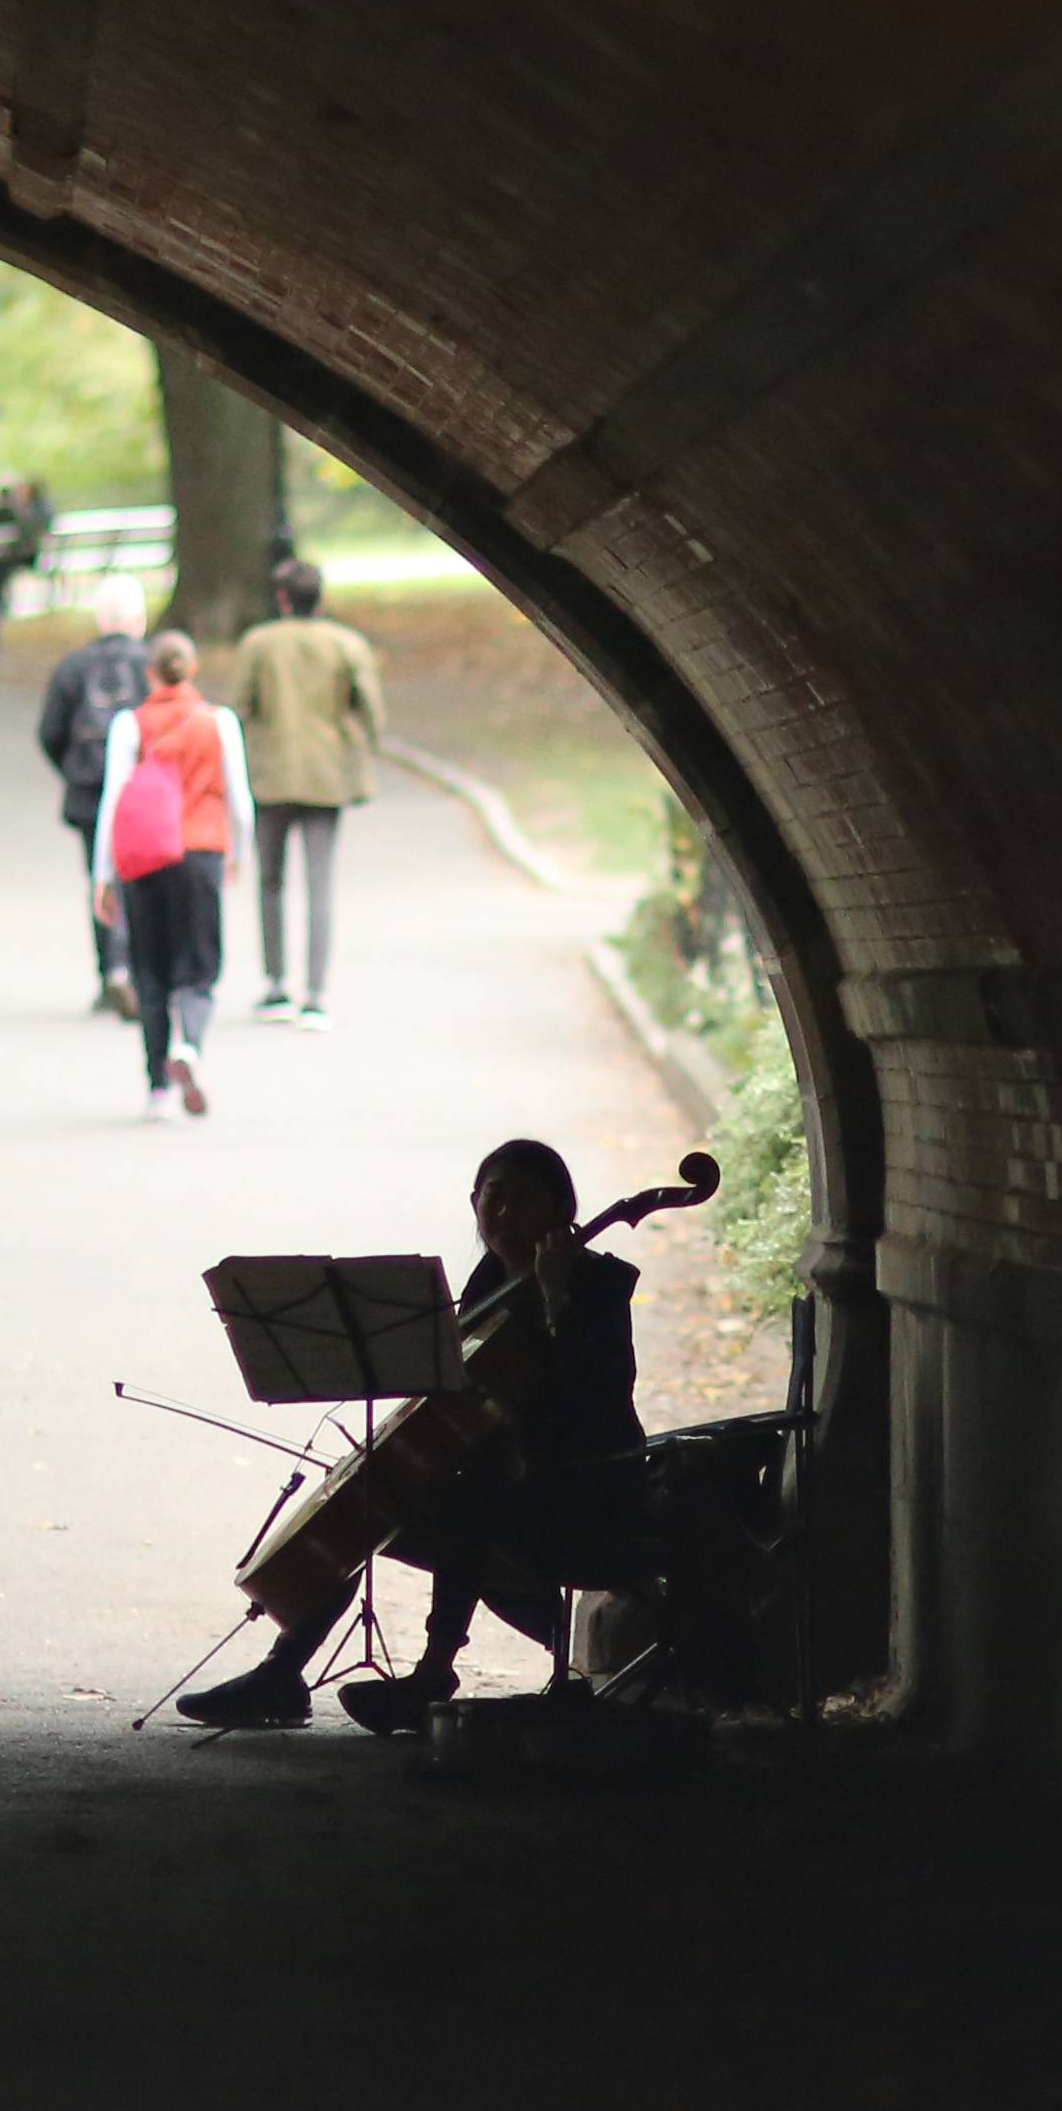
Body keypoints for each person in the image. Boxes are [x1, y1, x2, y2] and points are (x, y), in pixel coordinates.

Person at [175, 1138, 649, 1735]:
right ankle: (282, 1672)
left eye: (524, 1200)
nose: (502, 1215)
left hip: (581, 1486)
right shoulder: (488, 1281)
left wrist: (557, 1297)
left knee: (467, 1497)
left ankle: (432, 1675)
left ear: (561, 1211)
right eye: (492, 1197)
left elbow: (596, 1395)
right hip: (506, 1478)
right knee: (376, 1494)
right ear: (473, 1201)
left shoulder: (600, 1285)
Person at [90, 632, 250, 1121]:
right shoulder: (219, 722)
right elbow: (240, 799)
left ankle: (157, 1087)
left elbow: (113, 801)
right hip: (201, 852)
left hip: (144, 858)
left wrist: (103, 874)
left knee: (150, 969)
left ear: (149, 674)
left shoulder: (129, 725)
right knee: (199, 966)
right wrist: (237, 853)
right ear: (193, 669)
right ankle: (191, 1046)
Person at [227, 557, 386, 1030]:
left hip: (270, 776)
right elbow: (372, 711)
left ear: (280, 598)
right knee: (320, 885)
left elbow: (237, 708)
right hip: (326, 775)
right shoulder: (346, 644)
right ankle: (315, 994)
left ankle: (275, 984)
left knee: (270, 882)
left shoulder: (259, 644)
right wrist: (363, 747)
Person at [33, 575, 156, 1019]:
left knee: (100, 879)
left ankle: (110, 973)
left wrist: (72, 769)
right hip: (144, 795)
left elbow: (49, 732)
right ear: (139, 619)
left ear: (100, 620)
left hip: (90, 789)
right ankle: (141, 970)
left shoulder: (72, 668)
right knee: (144, 880)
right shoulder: (152, 665)